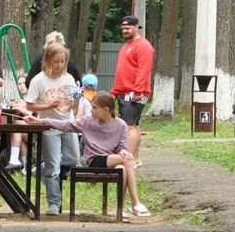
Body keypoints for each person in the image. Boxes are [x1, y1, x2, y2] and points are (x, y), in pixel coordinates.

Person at [22, 91, 150, 217]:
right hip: (94, 160)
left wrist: (123, 151)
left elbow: (121, 147)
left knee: (122, 168)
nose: (91, 110)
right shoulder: (88, 120)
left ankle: (120, 209)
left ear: (106, 110)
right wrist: (40, 121)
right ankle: (136, 202)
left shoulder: (120, 124)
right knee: (127, 161)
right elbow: (66, 125)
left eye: (94, 108)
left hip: (112, 159)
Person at [23, 41, 79, 215]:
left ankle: (41, 169)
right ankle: (54, 202)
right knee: (54, 168)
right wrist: (48, 106)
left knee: (73, 158)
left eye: (63, 62)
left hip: (68, 124)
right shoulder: (38, 80)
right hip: (48, 127)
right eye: (56, 61)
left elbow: (73, 100)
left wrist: (72, 103)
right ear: (48, 60)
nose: (59, 65)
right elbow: (29, 105)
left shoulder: (68, 78)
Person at [111, 15, 154, 167]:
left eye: (128, 28)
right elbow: (121, 71)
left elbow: (144, 69)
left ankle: (129, 159)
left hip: (136, 93)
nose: (125, 30)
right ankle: (136, 158)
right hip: (123, 91)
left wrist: (138, 91)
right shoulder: (126, 46)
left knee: (129, 126)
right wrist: (114, 91)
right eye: (123, 28)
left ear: (137, 27)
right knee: (132, 125)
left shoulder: (143, 46)